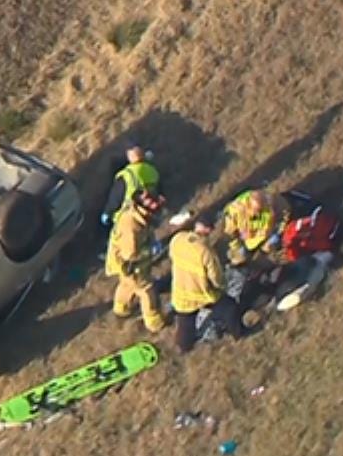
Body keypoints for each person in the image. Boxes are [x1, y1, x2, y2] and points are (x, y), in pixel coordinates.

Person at [169, 216, 245, 352]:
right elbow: (216, 278)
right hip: (202, 294)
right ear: (208, 230)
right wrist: (222, 286)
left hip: (180, 292)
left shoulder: (177, 239)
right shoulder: (206, 251)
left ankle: (183, 347)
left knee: (185, 323)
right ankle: (239, 335)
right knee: (230, 308)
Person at [105, 189, 168, 332]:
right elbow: (131, 254)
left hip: (123, 264)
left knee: (126, 284)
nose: (155, 204)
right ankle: (154, 323)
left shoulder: (136, 215)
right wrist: (150, 250)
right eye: (151, 202)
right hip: (131, 265)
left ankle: (121, 309)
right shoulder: (132, 226)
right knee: (146, 290)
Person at [219, 188, 293, 266]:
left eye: (260, 210)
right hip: (243, 241)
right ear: (248, 205)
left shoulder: (272, 201)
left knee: (268, 259)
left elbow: (286, 214)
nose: (257, 214)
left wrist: (278, 233)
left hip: (265, 238)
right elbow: (229, 234)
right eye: (255, 210)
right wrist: (238, 247)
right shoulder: (235, 211)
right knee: (239, 259)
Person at [111, 145, 162, 210]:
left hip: (133, 211)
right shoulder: (152, 170)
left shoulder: (126, 174)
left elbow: (116, 197)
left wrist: (108, 212)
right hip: (154, 207)